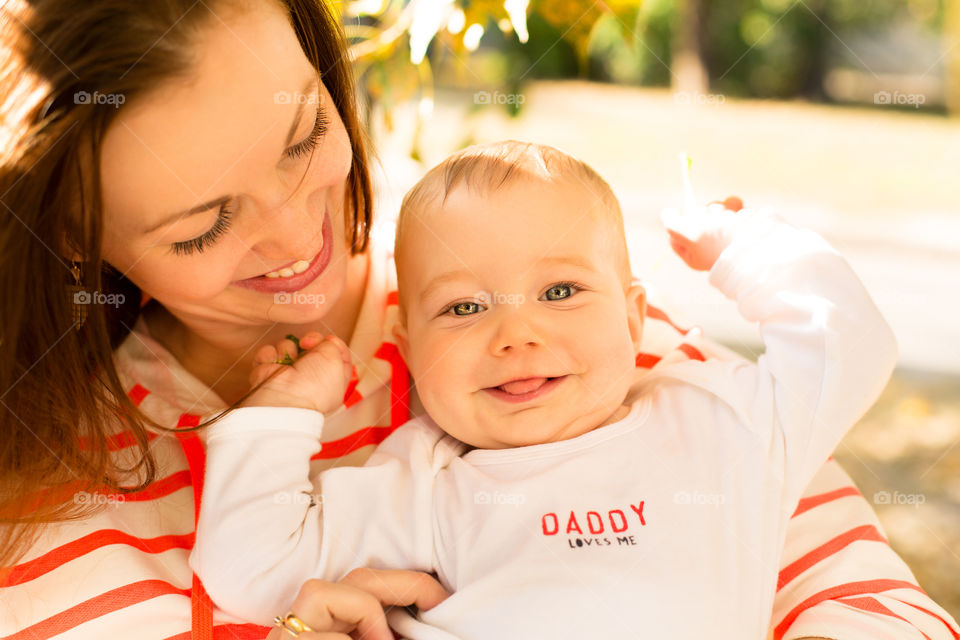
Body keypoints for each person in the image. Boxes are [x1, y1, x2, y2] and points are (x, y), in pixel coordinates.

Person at [0, 1, 955, 639]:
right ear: (68, 238)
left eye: (306, 139)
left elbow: (871, 605)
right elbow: (255, 570)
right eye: (205, 222)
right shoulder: (35, 494)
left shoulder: (603, 359)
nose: (302, 236)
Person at [190, 140, 900, 639]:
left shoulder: (720, 417)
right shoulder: (428, 479)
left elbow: (850, 346)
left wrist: (742, 246)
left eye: (560, 290)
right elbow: (249, 571)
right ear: (409, 350)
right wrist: (282, 411)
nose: (515, 336)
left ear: (633, 317)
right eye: (464, 307)